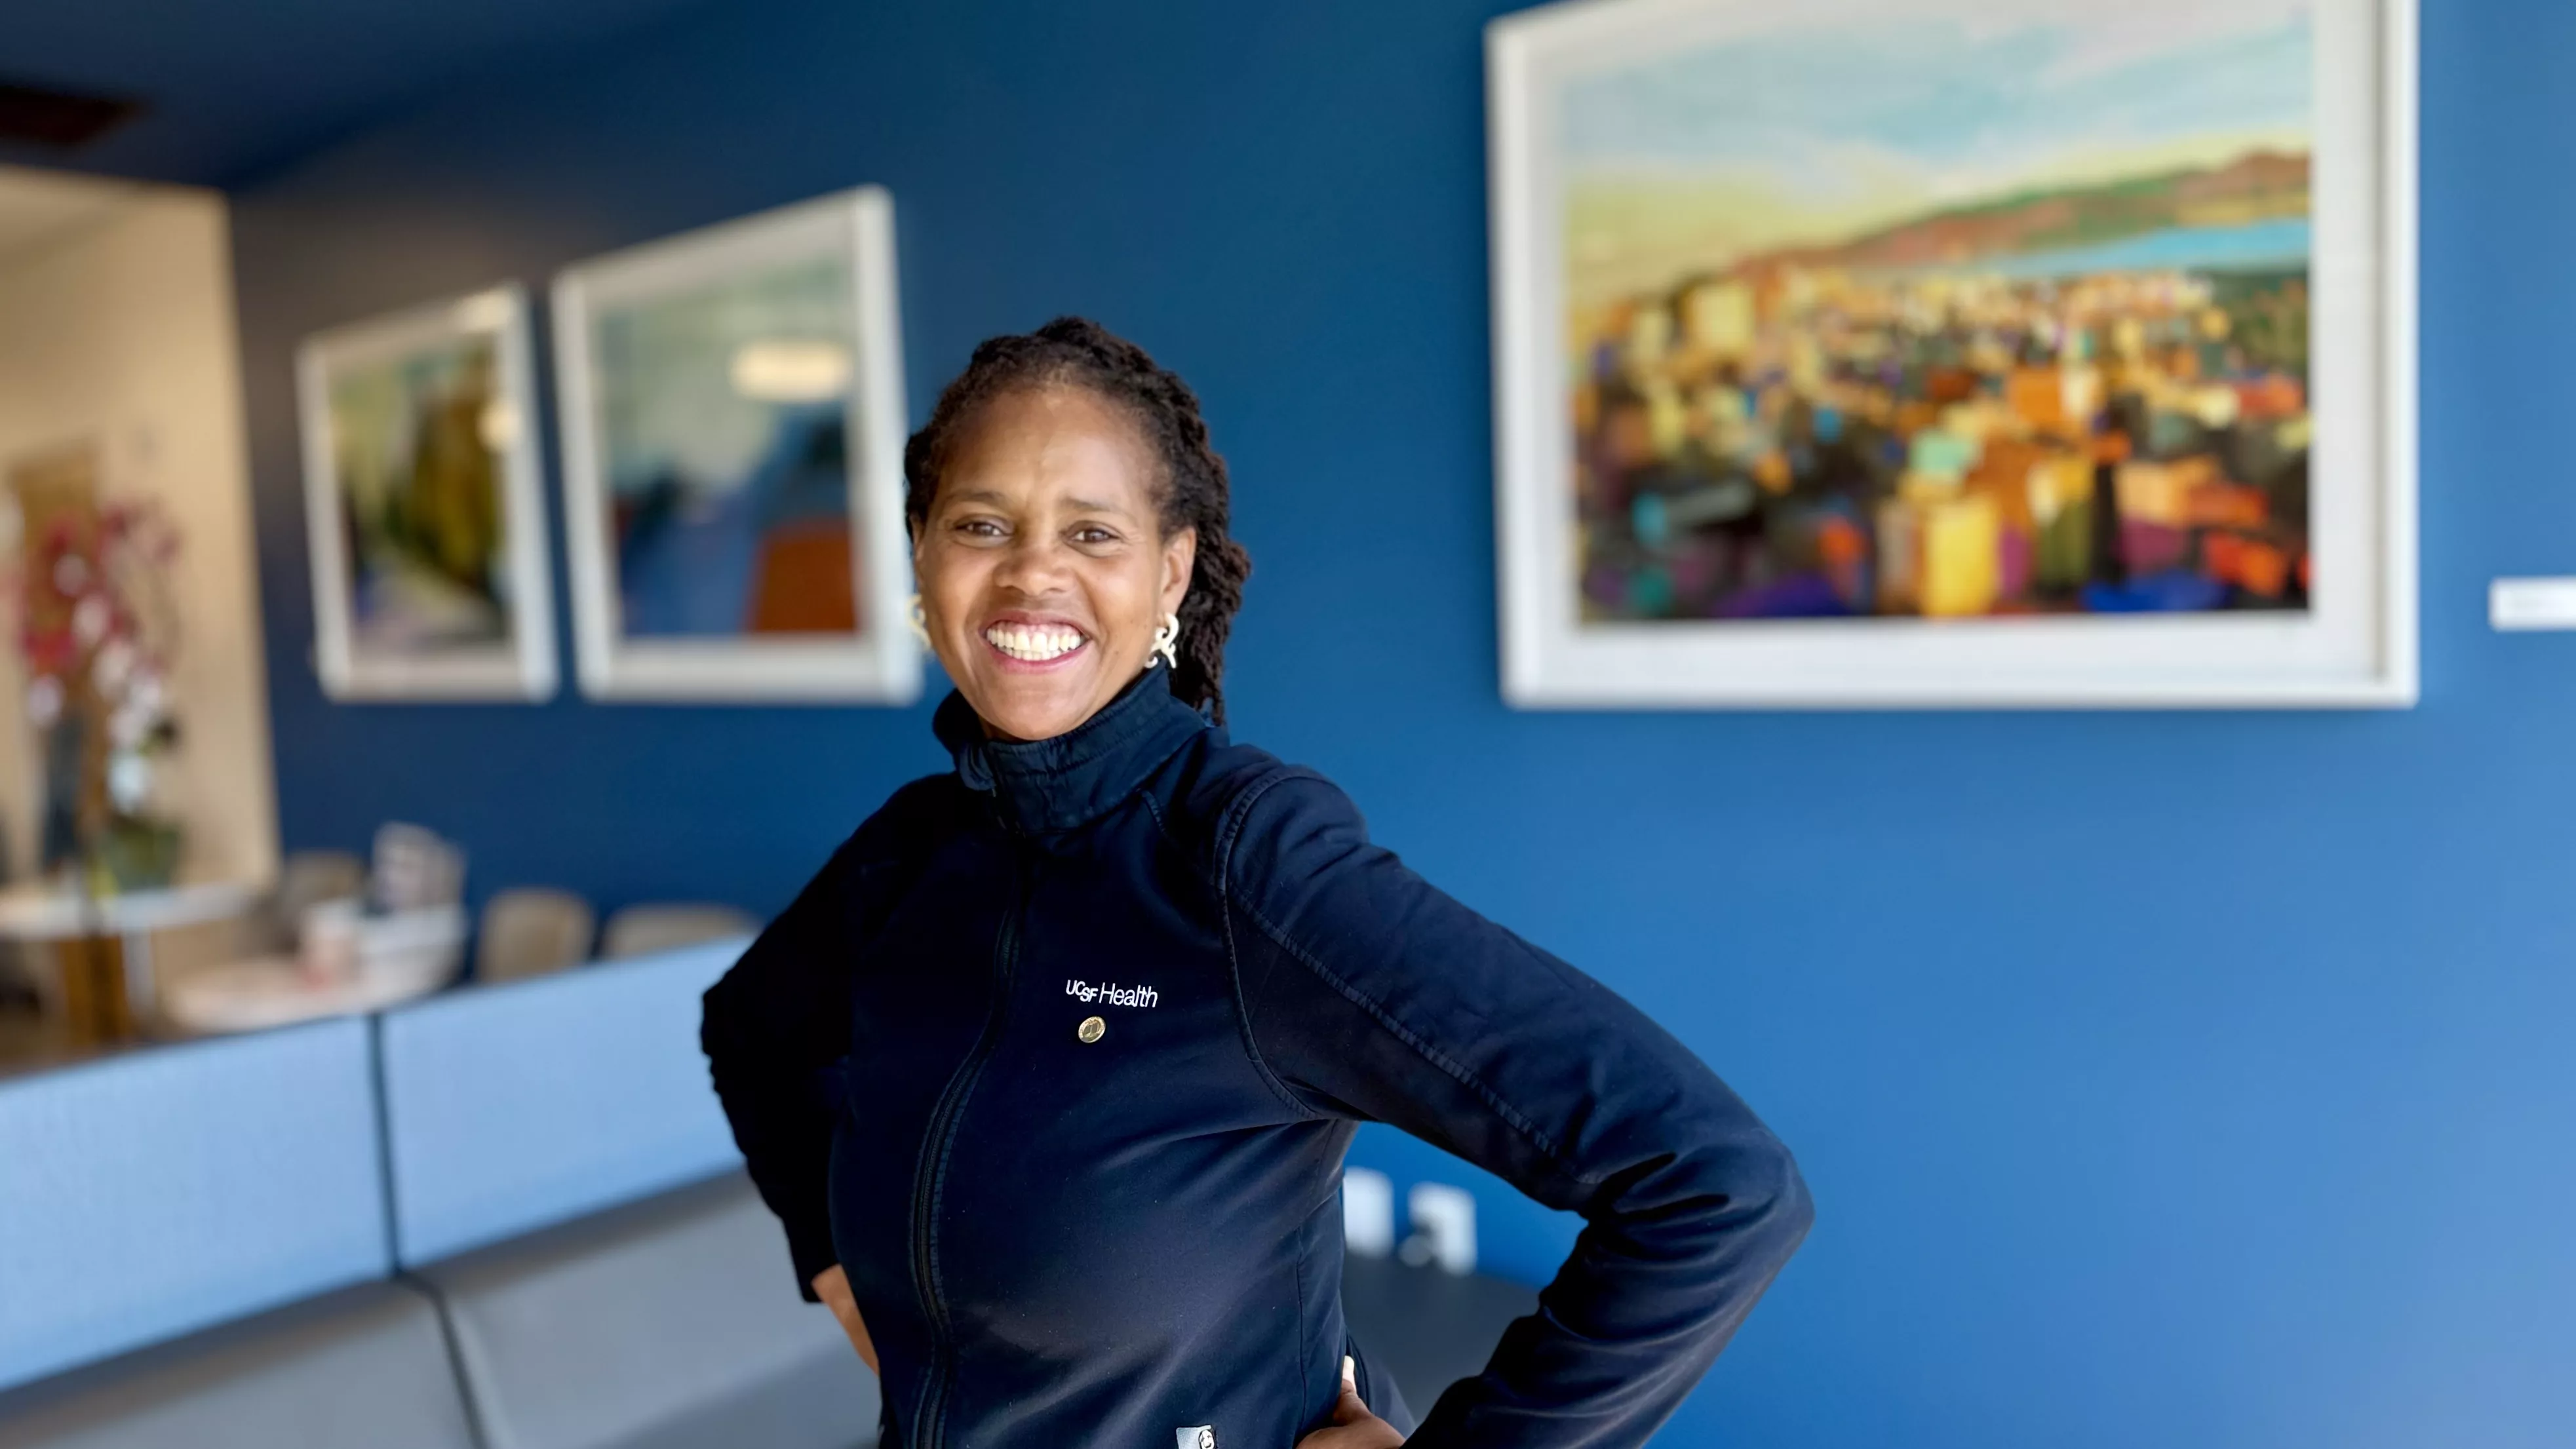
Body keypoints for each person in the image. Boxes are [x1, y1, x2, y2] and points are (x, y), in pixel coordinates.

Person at [700, 317, 1812, 1449]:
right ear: (924, 554)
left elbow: (1714, 1183)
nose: (1033, 570)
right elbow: (747, 1026)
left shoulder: (1243, 858)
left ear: (1170, 569)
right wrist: (828, 1255)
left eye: (1092, 531)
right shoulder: (913, 849)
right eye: (981, 525)